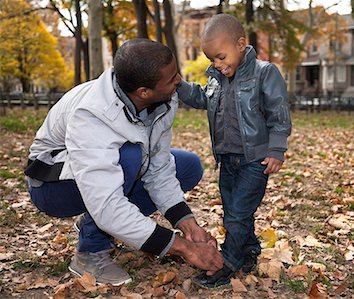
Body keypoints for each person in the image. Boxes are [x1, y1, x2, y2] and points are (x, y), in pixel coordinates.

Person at [25, 39, 223, 286]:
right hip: (50, 186)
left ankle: (93, 222)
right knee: (129, 157)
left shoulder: (163, 97)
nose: (179, 81)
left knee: (187, 166)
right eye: (171, 78)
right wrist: (184, 248)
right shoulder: (92, 115)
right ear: (144, 92)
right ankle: (91, 252)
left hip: (97, 175)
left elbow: (158, 166)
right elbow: (108, 203)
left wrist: (187, 224)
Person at [177, 14, 292, 288]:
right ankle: (249, 250)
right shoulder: (216, 79)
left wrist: (276, 150)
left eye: (220, 57)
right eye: (211, 60)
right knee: (233, 209)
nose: (217, 64)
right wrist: (180, 86)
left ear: (241, 44)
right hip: (227, 160)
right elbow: (200, 97)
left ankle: (226, 262)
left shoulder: (264, 73)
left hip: (255, 160)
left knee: (238, 213)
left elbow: (279, 113)